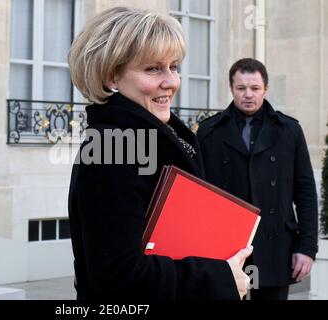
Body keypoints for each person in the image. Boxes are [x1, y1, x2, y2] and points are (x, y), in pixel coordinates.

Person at [67, 6, 252, 300]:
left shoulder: (156, 137)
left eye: (174, 66)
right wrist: (220, 279)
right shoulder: (112, 149)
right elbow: (120, 277)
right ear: (111, 76)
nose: (172, 82)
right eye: (153, 68)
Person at [197, 58, 319, 300]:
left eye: (255, 88)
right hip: (226, 246)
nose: (248, 95)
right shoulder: (209, 132)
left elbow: (305, 193)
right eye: (241, 88)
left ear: (266, 88)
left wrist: (306, 248)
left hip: (276, 246)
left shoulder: (289, 131)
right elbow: (200, 196)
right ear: (231, 89)